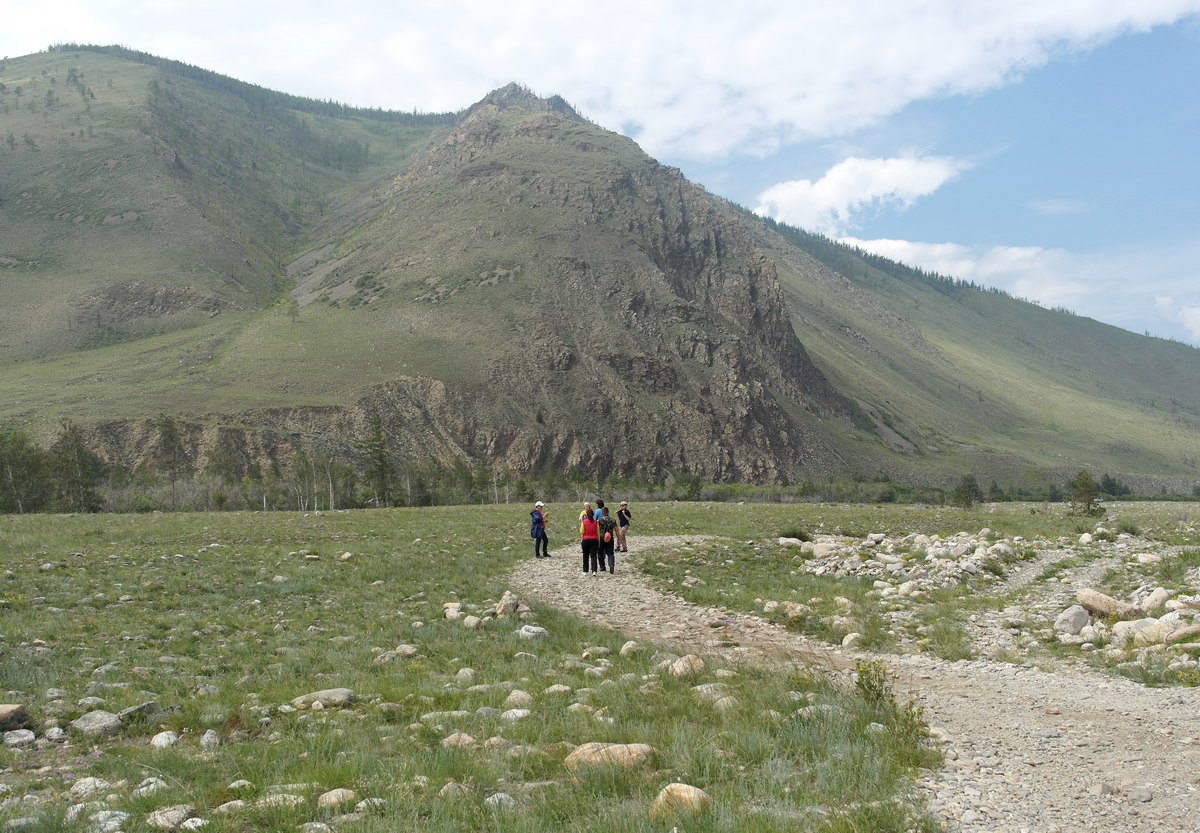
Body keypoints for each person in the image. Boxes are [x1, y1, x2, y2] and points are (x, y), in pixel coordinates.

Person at [579, 503, 600, 575]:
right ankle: (594, 571)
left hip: (586, 539)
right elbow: (597, 532)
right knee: (593, 556)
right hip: (594, 539)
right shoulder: (595, 522)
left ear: (586, 514)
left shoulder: (584, 522)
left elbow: (581, 531)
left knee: (585, 555)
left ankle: (585, 571)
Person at [597, 506, 617, 573]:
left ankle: (602, 567)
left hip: (601, 538)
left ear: (602, 513)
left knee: (600, 553)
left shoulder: (599, 520)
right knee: (610, 553)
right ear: (608, 512)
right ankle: (611, 564)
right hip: (610, 538)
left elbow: (597, 530)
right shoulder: (613, 520)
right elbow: (616, 530)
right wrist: (619, 538)